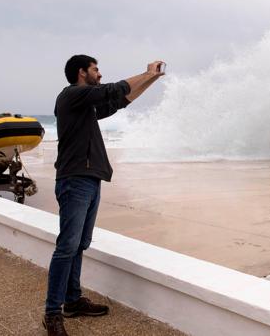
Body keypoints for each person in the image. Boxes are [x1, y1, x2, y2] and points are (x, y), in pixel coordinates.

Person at [43, 54, 164, 336]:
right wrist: (144, 72)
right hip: (75, 180)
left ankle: (73, 301)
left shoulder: (84, 107)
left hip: (89, 180)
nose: (99, 73)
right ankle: (52, 313)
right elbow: (112, 90)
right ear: (81, 72)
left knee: (79, 245)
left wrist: (152, 80)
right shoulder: (71, 95)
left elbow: (120, 101)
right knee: (66, 247)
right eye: (95, 69)